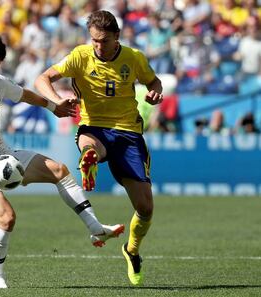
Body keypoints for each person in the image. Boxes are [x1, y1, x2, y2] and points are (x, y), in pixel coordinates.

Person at [0, 31, 124, 289]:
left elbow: (26, 95)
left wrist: (56, 107)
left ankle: (95, 228)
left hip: (4, 158)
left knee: (59, 171)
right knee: (6, 218)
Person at [35, 10, 164, 286]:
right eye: (93, 40)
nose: (97, 46)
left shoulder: (134, 58)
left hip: (129, 133)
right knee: (90, 145)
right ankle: (89, 159)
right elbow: (42, 79)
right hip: (93, 126)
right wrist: (55, 101)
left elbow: (153, 82)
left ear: (117, 37)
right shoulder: (80, 56)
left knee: (146, 208)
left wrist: (154, 93)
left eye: (103, 41)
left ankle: (131, 249)